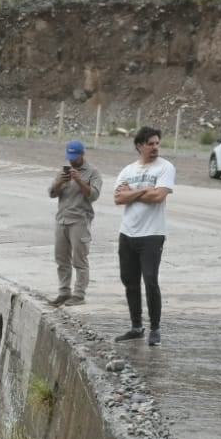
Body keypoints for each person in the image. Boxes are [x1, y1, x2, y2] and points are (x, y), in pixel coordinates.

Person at [112, 126, 175, 346]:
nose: (155, 147)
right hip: (128, 233)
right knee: (129, 281)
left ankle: (155, 329)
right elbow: (118, 198)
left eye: (157, 143)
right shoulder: (128, 170)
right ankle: (136, 326)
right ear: (139, 146)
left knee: (150, 280)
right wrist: (142, 191)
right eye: (150, 144)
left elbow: (158, 196)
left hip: (152, 234)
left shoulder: (165, 167)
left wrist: (133, 193)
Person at [49, 140, 103, 307]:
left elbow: (93, 195)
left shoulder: (93, 173)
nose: (71, 161)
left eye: (75, 157)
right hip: (62, 220)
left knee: (79, 260)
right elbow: (51, 193)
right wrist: (60, 182)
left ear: (82, 154)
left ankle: (79, 294)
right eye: (69, 157)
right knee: (61, 259)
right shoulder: (62, 172)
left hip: (80, 220)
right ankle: (64, 292)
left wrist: (79, 180)